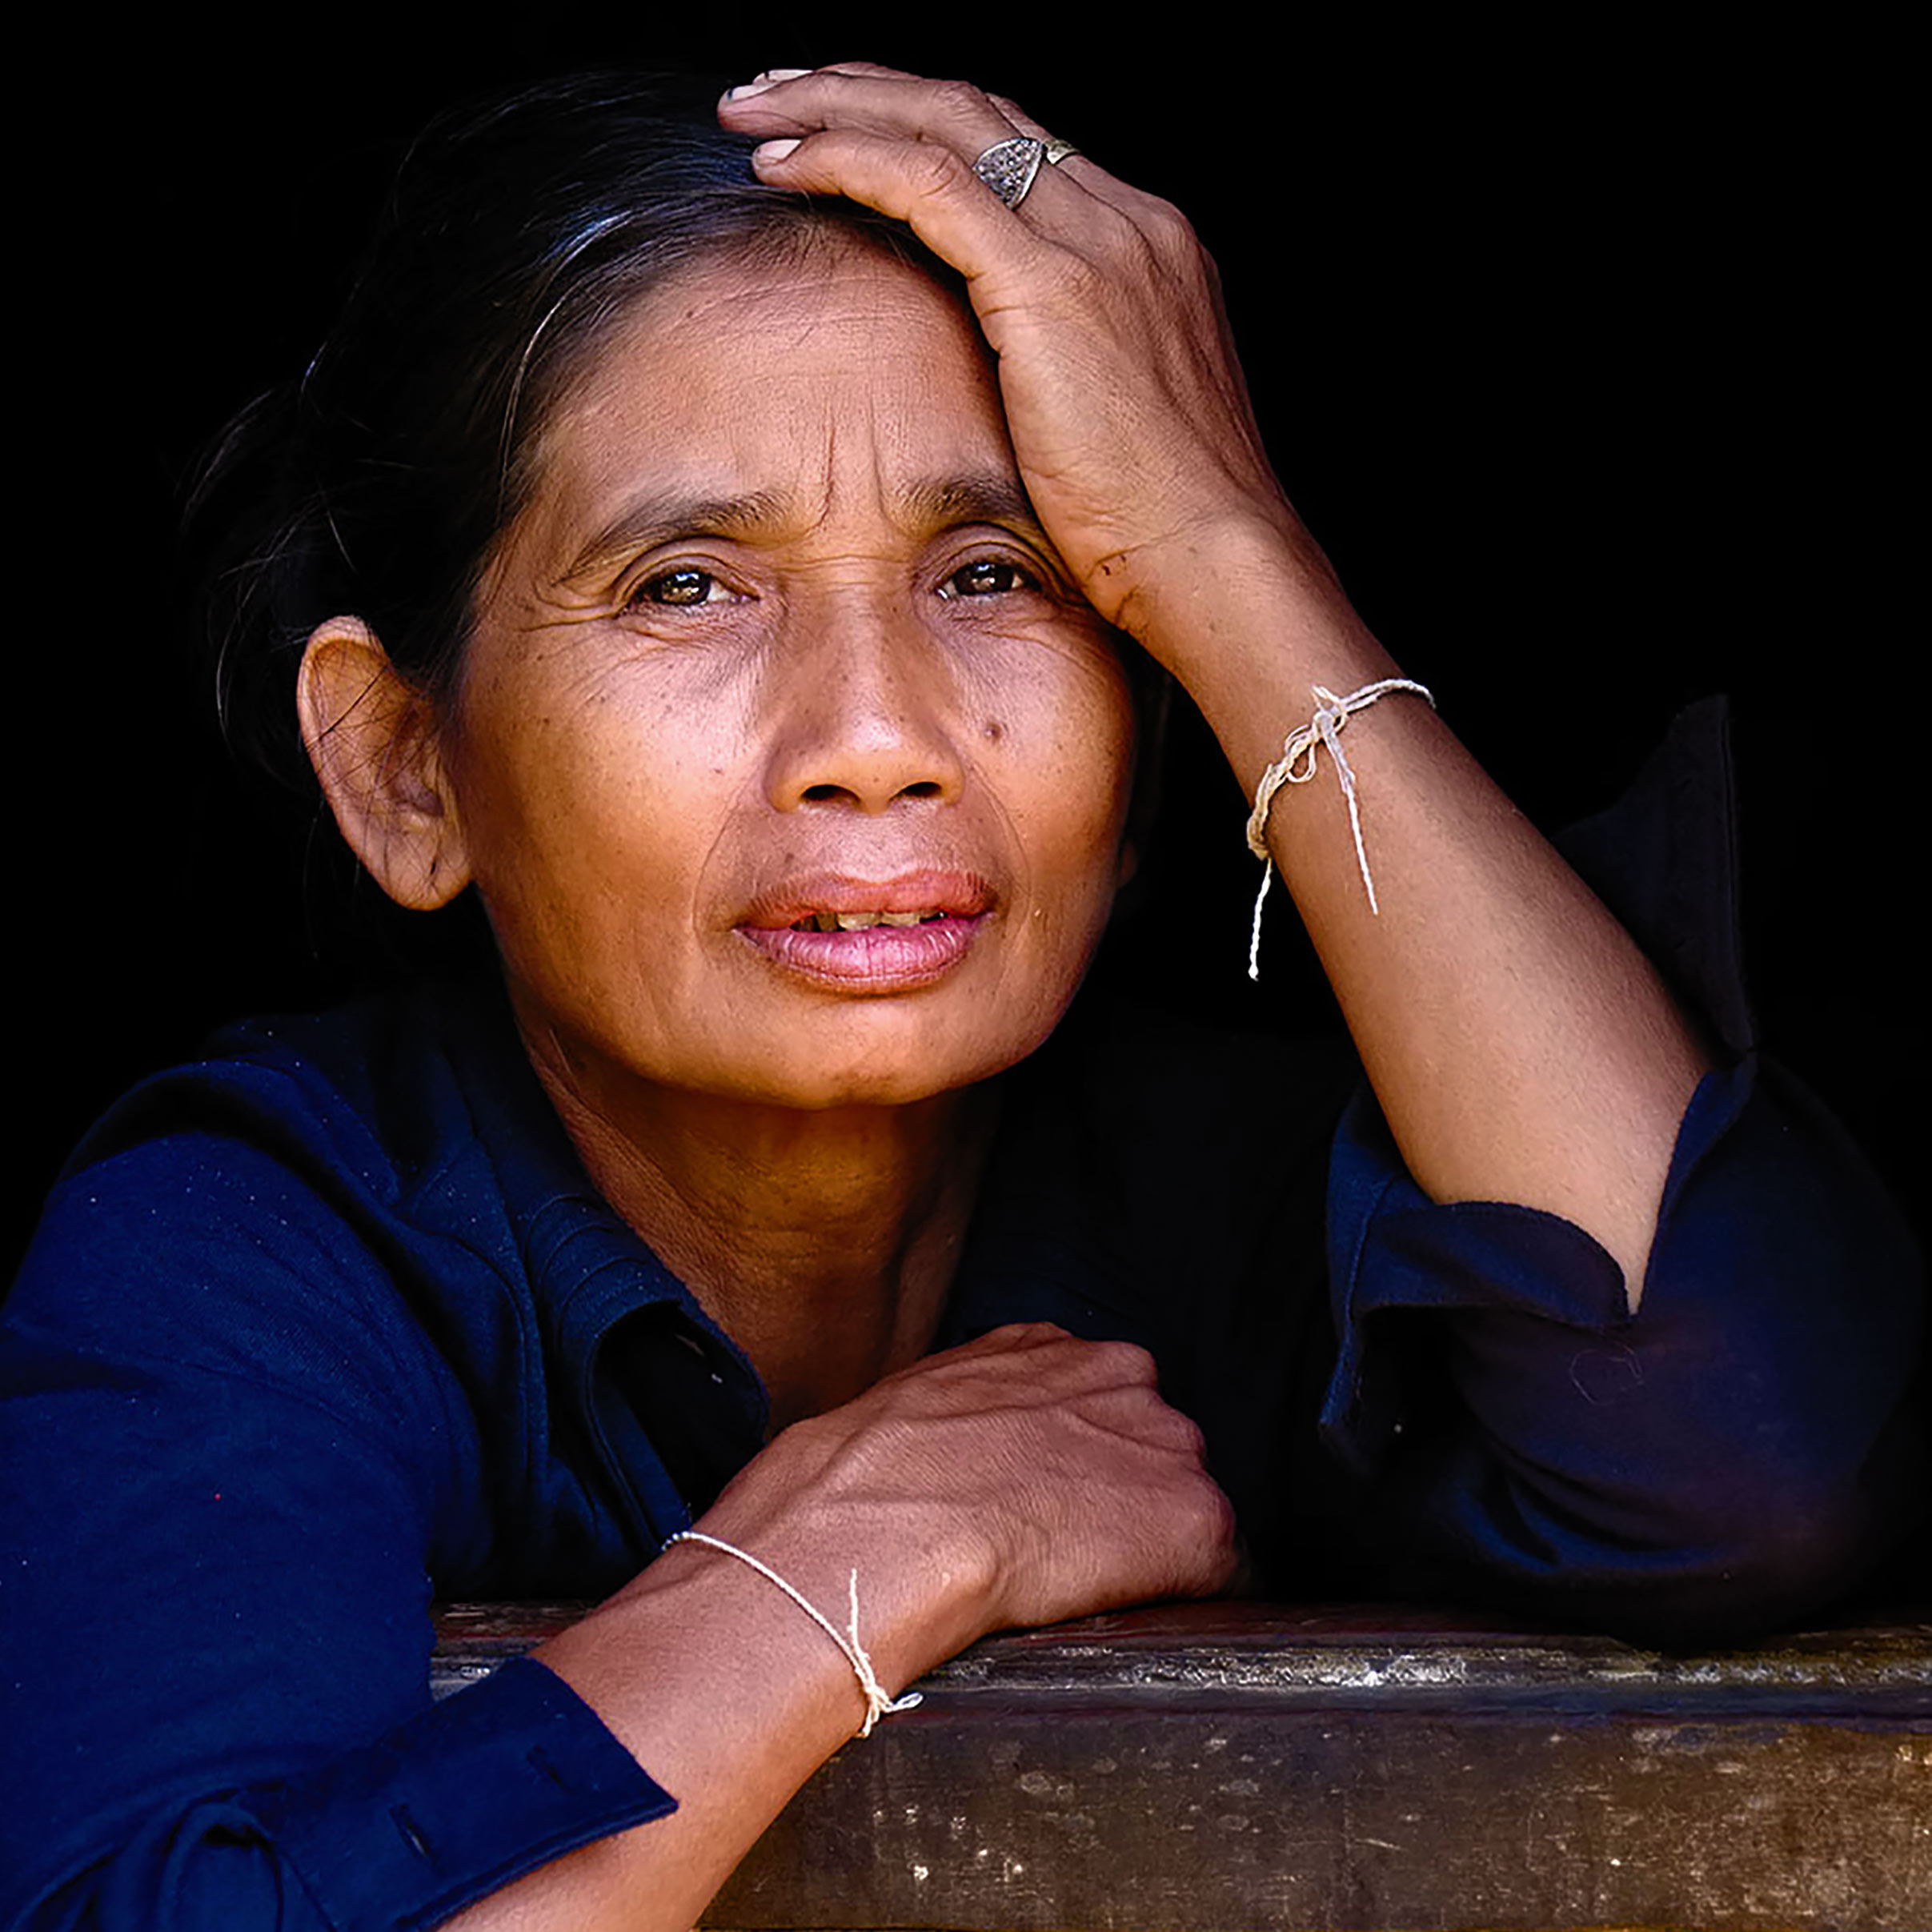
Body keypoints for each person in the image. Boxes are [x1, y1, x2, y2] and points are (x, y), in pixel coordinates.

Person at [2, 62, 1919, 1932]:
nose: (876, 739)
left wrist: (1222, 550)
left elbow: (1738, 1459)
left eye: (996, 572)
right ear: (407, 770)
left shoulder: (1251, 1200)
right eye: (685, 584)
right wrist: (843, 1554)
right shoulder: (253, 1249)